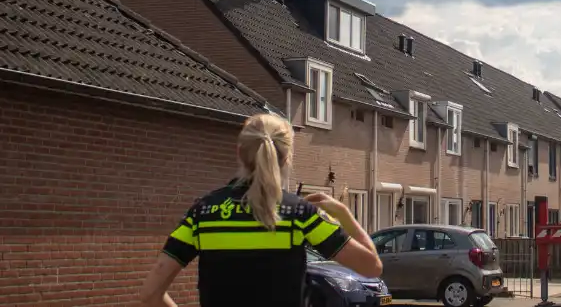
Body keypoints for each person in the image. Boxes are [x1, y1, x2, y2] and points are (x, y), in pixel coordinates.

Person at [138, 113, 381, 307]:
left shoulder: (203, 213)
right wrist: (343, 214)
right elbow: (372, 268)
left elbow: (150, 295)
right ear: (287, 158)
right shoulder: (299, 214)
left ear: (239, 153)